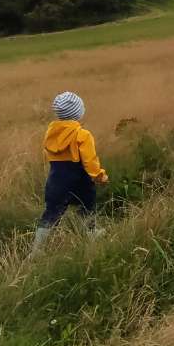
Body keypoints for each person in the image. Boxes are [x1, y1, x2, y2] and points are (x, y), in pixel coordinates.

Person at [30, 91, 109, 255]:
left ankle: (37, 249)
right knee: (87, 205)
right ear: (78, 112)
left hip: (56, 180)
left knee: (52, 212)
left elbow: (50, 156)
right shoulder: (83, 135)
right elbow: (90, 160)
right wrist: (100, 176)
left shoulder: (51, 133)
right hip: (79, 180)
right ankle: (91, 233)